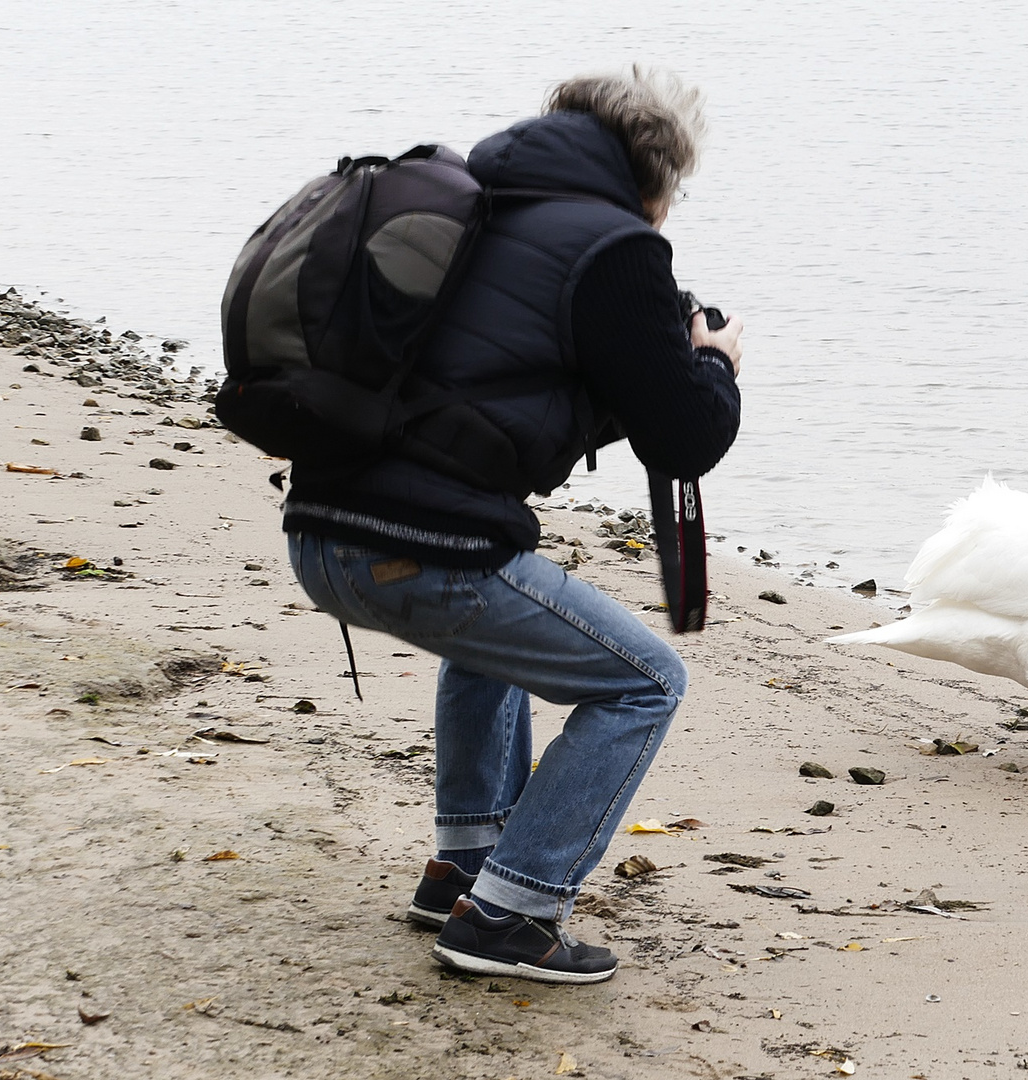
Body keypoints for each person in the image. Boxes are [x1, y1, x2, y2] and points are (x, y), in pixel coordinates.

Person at [283, 68, 743, 985]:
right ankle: (511, 913)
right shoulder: (614, 248)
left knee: (493, 632)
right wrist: (714, 365)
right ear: (655, 177)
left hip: (321, 535)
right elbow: (686, 437)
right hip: (422, 554)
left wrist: (653, 359)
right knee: (647, 682)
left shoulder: (464, 206)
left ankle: (463, 864)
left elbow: (500, 384)